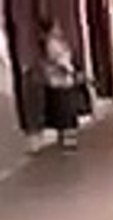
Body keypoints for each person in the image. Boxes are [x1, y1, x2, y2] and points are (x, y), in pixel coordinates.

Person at [38, 18, 78, 150]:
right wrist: (70, 70)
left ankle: (68, 140)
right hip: (60, 81)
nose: (59, 29)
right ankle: (68, 141)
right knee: (64, 111)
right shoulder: (52, 43)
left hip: (62, 80)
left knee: (65, 111)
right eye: (56, 27)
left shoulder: (57, 42)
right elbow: (59, 60)